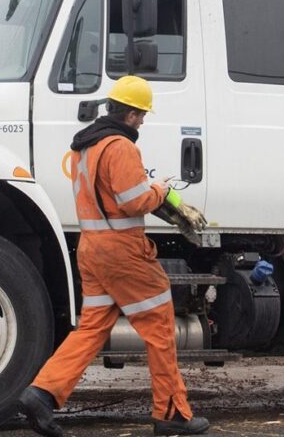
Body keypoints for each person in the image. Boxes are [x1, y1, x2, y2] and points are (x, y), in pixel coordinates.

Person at [17, 75, 211, 436]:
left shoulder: (84, 149)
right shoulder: (121, 147)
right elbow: (133, 199)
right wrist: (163, 190)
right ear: (130, 114)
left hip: (92, 249)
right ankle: (171, 414)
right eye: (141, 114)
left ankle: (42, 394)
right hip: (123, 251)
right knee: (159, 325)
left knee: (92, 326)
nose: (142, 121)